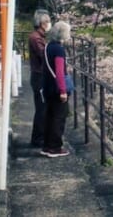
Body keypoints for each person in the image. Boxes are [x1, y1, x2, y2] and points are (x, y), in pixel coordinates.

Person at [41, 20, 72, 157]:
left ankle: (47, 146)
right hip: (56, 88)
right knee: (59, 117)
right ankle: (55, 147)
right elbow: (59, 71)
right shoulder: (59, 49)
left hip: (47, 87)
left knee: (49, 116)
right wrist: (63, 91)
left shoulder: (48, 46)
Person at [27, 9, 51, 148]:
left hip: (38, 76)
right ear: (41, 23)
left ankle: (39, 137)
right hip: (39, 76)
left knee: (42, 108)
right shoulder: (36, 38)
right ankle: (38, 138)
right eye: (47, 21)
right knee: (41, 109)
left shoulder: (38, 37)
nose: (48, 24)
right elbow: (44, 55)